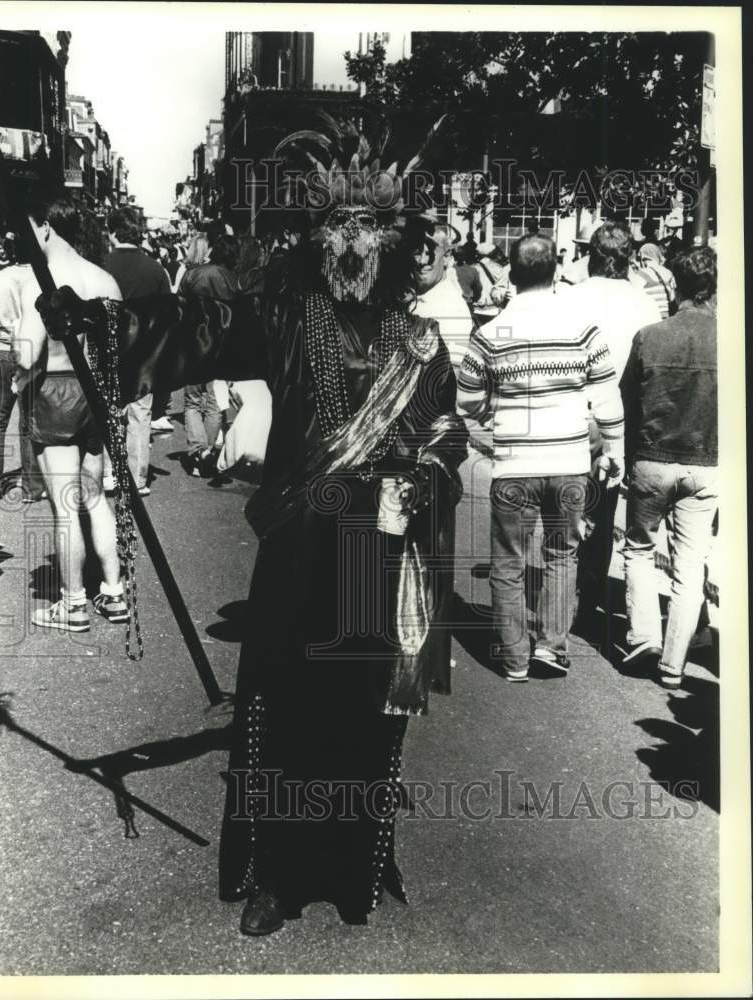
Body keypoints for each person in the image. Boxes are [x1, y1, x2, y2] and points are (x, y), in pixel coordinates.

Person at [38, 114, 467, 935]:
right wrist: (94, 323)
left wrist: (419, 477)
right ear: (318, 235)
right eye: (338, 224)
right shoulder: (284, 317)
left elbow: (448, 431)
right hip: (299, 551)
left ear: (395, 240)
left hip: (375, 555)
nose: (351, 242)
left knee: (361, 715)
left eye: (368, 226)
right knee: (280, 709)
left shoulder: (419, 341)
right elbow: (192, 341)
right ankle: (276, 875)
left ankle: (352, 871)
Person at [457, 233, 624, 682]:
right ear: (556, 272)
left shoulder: (491, 334)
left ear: (511, 272)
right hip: (570, 462)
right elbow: (607, 397)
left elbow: (468, 401)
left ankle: (514, 660)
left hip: (514, 465)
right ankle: (551, 647)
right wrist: (615, 450)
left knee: (508, 563)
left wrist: (497, 407)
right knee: (562, 555)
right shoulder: (582, 328)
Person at [15, 196, 128, 633]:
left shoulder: (40, 281)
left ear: (45, 228)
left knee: (65, 507)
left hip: (56, 392)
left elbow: (27, 356)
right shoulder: (104, 279)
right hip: (96, 396)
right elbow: (119, 350)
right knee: (95, 496)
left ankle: (74, 603)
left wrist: (17, 377)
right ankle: (114, 593)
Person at [619, 247, 718, 688]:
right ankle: (674, 664)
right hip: (707, 462)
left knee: (639, 549)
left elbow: (628, 403)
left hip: (652, 457)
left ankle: (644, 636)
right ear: (713, 287)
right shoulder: (730, 338)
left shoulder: (649, 335)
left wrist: (627, 463)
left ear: (673, 284)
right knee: (690, 563)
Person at [558, 222, 660, 634]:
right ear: (630, 255)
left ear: (591, 254)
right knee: (602, 510)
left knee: (564, 511)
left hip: (573, 413)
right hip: (621, 419)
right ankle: (589, 600)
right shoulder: (644, 304)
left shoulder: (570, 297)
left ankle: (560, 600)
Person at [105, 207, 172, 496]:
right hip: (145, 353)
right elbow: (169, 314)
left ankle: (110, 473)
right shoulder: (156, 269)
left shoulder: (100, 264)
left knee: (109, 411)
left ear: (112, 232)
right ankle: (137, 478)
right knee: (140, 415)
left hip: (109, 350)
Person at [0, 247, 45, 502]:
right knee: (30, 420)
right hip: (33, 351)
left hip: (2, 349)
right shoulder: (43, 277)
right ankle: (32, 487)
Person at [179, 234, 240, 475]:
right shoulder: (230, 277)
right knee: (214, 401)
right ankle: (208, 454)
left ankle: (198, 452)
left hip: (193, 342)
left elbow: (180, 307)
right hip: (221, 344)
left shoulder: (191, 275)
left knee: (193, 400)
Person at [410, 219, 474, 370]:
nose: (422, 261)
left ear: (446, 257)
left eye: (430, 253)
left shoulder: (451, 308)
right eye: (417, 252)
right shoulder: (414, 297)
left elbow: (450, 373)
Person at [636, 242, 676, 321]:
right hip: (666, 318)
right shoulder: (668, 273)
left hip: (649, 318)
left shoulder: (641, 274)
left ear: (642, 257)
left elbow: (635, 300)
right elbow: (672, 298)